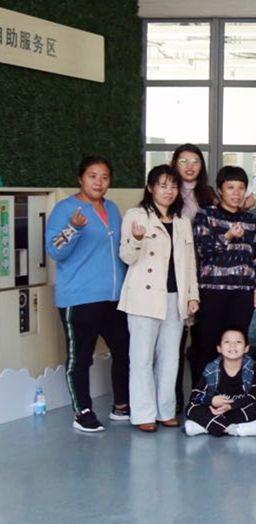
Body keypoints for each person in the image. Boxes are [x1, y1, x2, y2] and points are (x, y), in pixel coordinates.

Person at [47, 155, 131, 432]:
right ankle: (82, 411)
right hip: (80, 298)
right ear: (80, 178)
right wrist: (73, 228)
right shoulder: (65, 208)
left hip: (114, 298)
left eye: (105, 177)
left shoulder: (112, 208)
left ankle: (121, 405)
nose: (99, 182)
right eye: (93, 176)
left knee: (124, 350)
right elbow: (55, 250)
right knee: (80, 357)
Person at [120, 165, 200, 432]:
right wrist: (137, 239)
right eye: (163, 185)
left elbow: (189, 263)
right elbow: (126, 257)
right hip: (144, 297)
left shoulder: (182, 221)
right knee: (141, 358)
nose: (169, 191)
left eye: (173, 186)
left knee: (170, 357)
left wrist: (192, 295)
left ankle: (165, 410)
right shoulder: (136, 216)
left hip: (175, 297)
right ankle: (143, 413)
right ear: (150, 188)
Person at [190, 166, 256, 394]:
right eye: (230, 187)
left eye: (241, 188)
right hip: (212, 292)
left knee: (236, 346)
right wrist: (228, 236)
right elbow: (202, 250)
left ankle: (233, 396)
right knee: (207, 345)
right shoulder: (206, 215)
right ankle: (202, 396)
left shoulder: (251, 220)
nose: (236, 193)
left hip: (242, 293)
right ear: (220, 190)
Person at [183, 327, 256, 437]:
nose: (233, 345)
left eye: (238, 342)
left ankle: (206, 426)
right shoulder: (211, 369)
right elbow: (195, 395)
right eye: (227, 342)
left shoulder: (252, 367)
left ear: (246, 348)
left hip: (237, 408)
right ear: (219, 348)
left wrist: (231, 406)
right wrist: (211, 401)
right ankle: (231, 429)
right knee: (190, 408)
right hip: (215, 409)